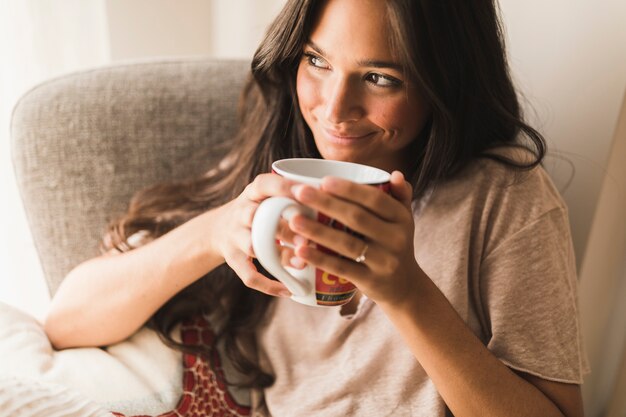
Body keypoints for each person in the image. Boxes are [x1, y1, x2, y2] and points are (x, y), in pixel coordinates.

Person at [44, 0, 589, 416]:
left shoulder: (504, 199)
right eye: (317, 61)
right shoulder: (281, 163)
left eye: (380, 78)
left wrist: (406, 293)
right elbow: (66, 323)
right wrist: (216, 231)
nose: (333, 110)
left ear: (444, 82)